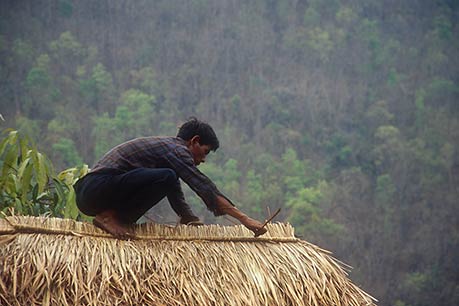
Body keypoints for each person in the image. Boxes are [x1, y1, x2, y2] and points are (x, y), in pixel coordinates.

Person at [74, 117, 267, 239]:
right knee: (168, 176)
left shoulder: (169, 155)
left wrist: (189, 218)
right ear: (194, 141)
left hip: (92, 195)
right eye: (205, 152)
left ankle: (114, 216)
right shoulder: (177, 149)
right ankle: (110, 217)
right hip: (95, 187)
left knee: (169, 177)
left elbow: (173, 187)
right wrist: (245, 219)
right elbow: (202, 185)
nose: (203, 159)